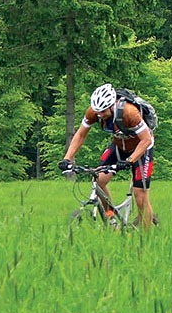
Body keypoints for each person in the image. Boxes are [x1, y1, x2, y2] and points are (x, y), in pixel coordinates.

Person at [62, 82, 156, 232]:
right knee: (98, 180)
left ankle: (147, 238)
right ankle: (112, 220)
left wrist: (129, 161)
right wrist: (67, 158)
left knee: (140, 195)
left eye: (103, 111)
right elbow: (80, 134)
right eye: (97, 111)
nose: (100, 115)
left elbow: (146, 140)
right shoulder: (93, 112)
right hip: (119, 145)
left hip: (141, 148)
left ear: (112, 105)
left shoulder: (129, 112)